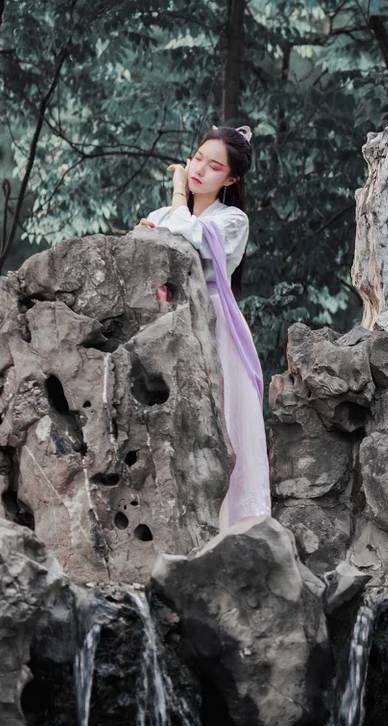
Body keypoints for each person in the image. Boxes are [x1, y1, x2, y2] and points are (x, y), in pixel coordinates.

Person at [139, 125, 270, 529]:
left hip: (216, 325)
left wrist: (178, 191)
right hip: (167, 325)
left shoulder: (232, 220)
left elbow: (190, 238)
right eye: (197, 159)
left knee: (226, 421)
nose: (198, 170)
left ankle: (236, 529)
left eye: (214, 167)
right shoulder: (162, 216)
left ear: (230, 179)